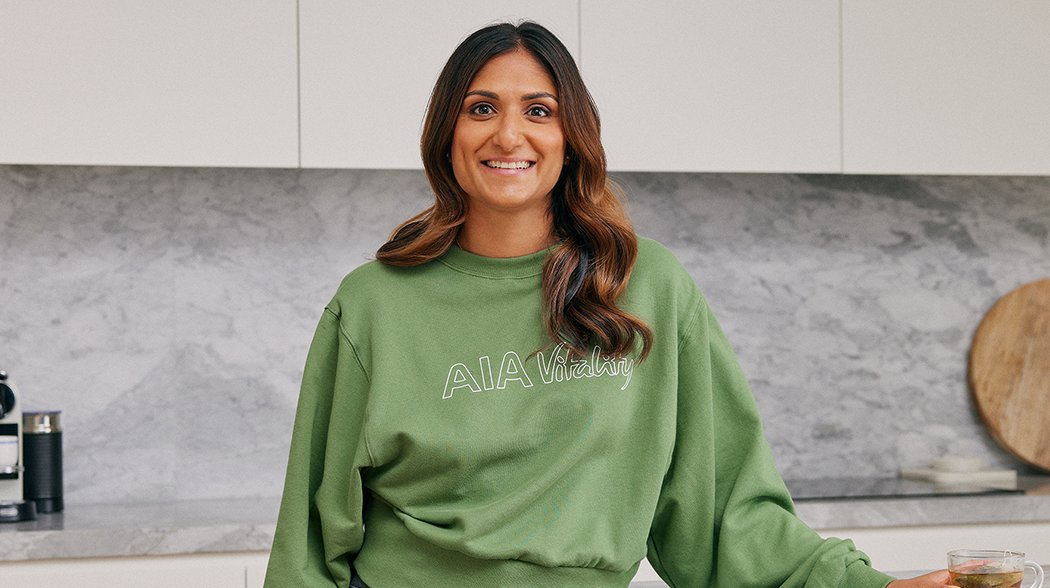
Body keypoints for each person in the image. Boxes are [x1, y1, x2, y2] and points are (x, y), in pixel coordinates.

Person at [263, 21, 958, 588]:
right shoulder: (374, 304)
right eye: (481, 108)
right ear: (449, 133)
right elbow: (310, 539)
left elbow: (721, 514)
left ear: (573, 139)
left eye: (539, 110)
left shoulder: (647, 287)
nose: (509, 136)